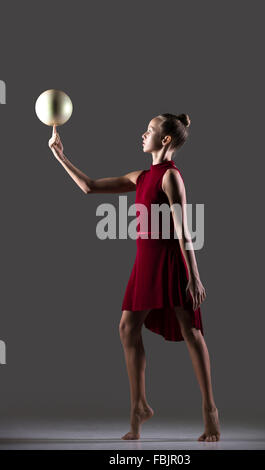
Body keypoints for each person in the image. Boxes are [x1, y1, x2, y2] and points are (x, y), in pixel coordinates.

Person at [48, 113, 221, 442]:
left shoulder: (171, 178)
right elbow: (89, 187)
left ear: (165, 140)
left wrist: (194, 277)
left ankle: (210, 410)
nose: (143, 134)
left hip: (171, 263)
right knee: (127, 327)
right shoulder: (141, 176)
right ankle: (139, 405)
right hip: (144, 264)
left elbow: (184, 230)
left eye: (150, 131)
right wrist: (61, 155)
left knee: (191, 332)